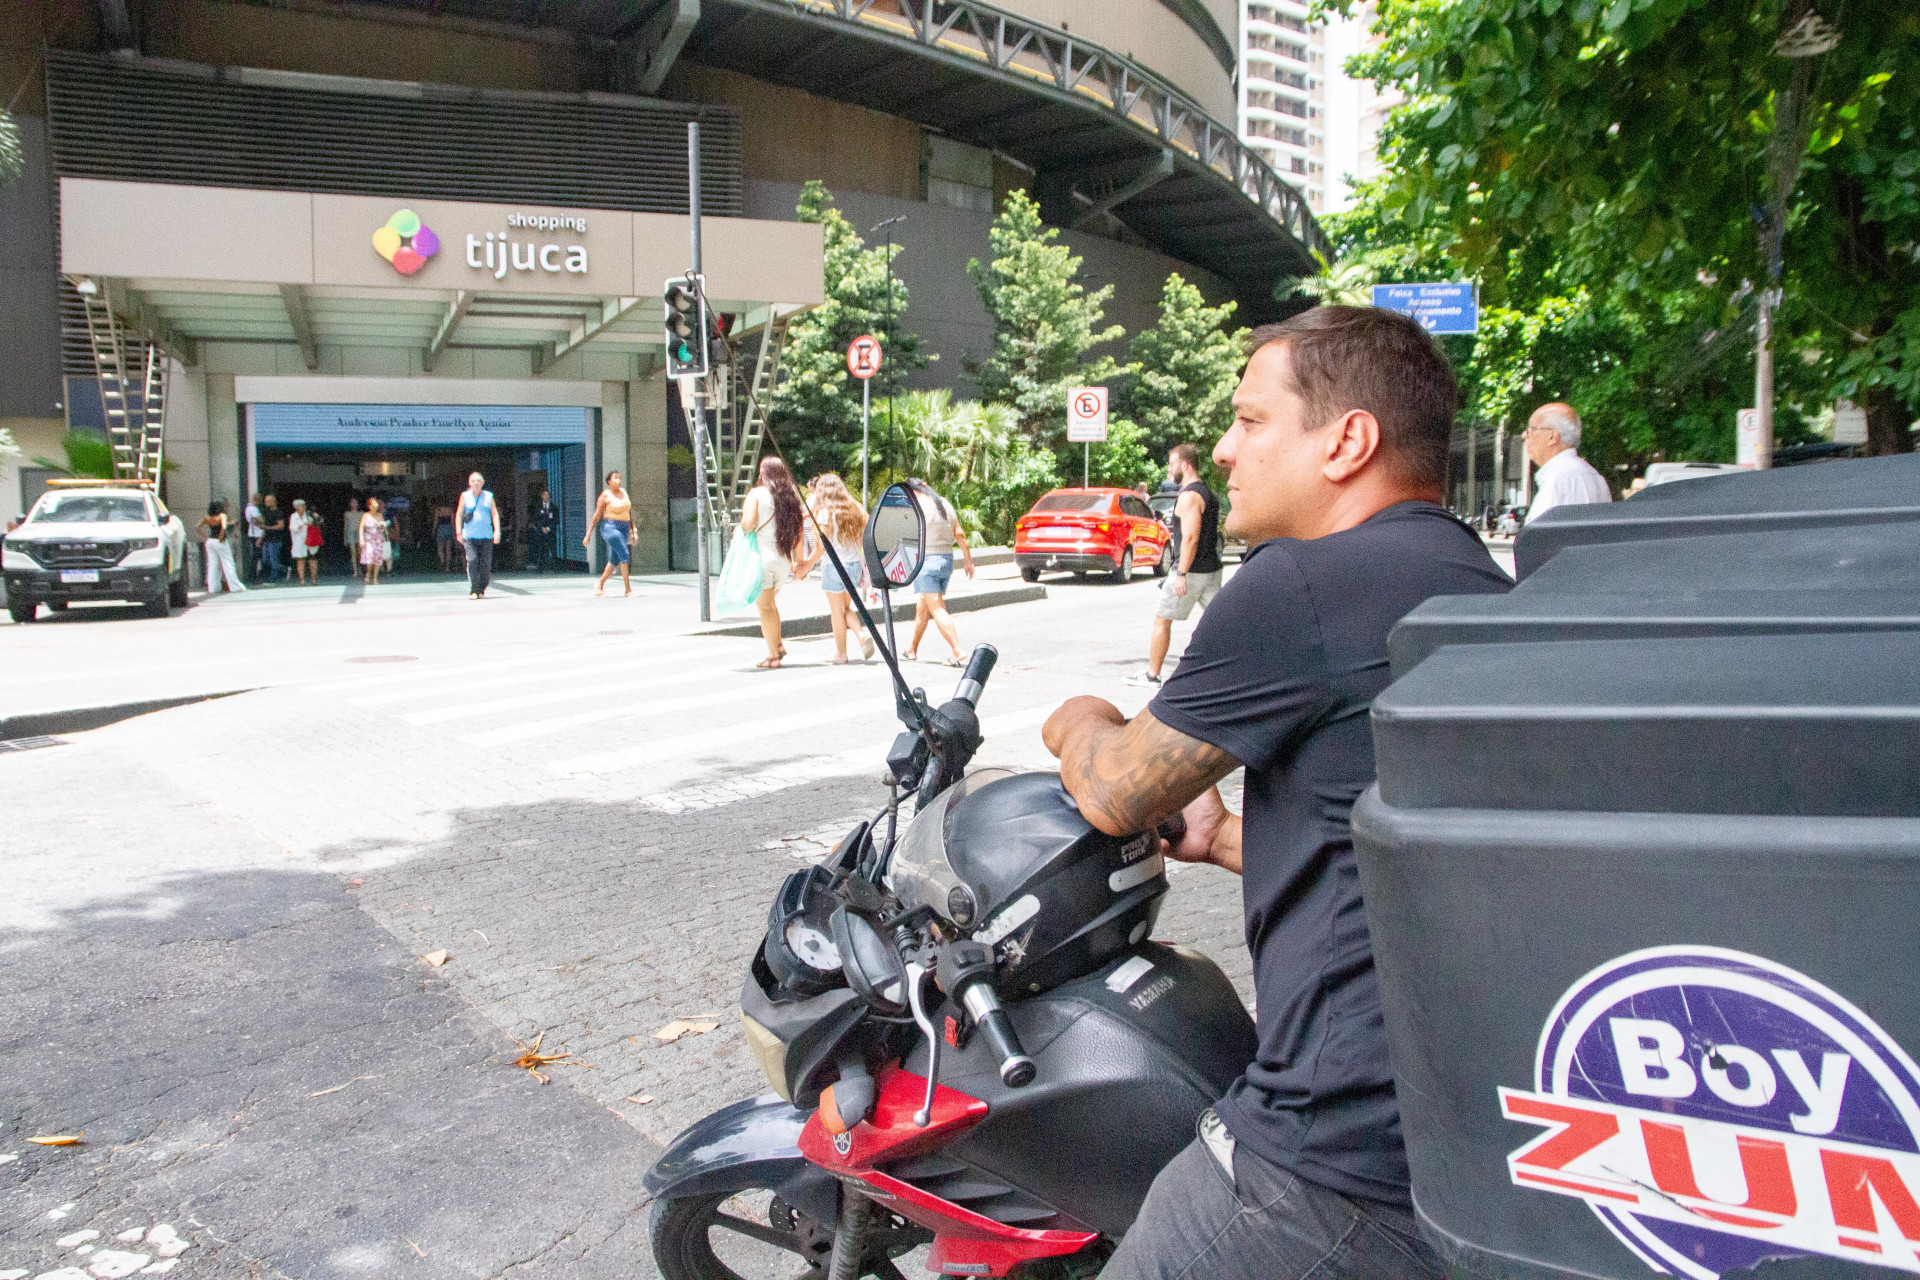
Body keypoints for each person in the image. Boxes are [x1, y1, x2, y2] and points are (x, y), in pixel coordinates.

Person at [1040, 306, 1512, 1280]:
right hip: (1443, 1141)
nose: (1222, 448)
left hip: (1320, 1167)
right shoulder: (1466, 573)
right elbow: (1402, 848)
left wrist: (1078, 717)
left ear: (1348, 438)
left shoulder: (1300, 583)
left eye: (1251, 420)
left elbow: (1118, 790)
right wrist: (1222, 838)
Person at [1125, 443, 1222, 687]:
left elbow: (1191, 537)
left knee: (1162, 619)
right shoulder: (1208, 493)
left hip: (1191, 572)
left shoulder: (1189, 496)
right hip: (1212, 569)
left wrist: (1181, 573)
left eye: (1172, 465)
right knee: (1220, 622)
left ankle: (1152, 675)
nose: (1169, 471)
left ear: (1185, 465)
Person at [800, 473, 876, 665]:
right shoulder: (855, 508)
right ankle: (861, 636)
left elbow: (823, 545)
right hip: (854, 565)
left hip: (834, 566)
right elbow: (868, 532)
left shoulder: (826, 512)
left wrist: (807, 565)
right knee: (845, 608)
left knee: (836, 610)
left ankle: (841, 653)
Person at [738, 456, 804, 669]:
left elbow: (748, 524)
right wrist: (799, 561)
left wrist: (740, 528)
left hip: (762, 559)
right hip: (783, 561)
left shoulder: (756, 494)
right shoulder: (790, 498)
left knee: (765, 608)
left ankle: (772, 656)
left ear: (762, 473)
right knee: (770, 604)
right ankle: (778, 645)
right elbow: (799, 532)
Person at [901, 478, 974, 666]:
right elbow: (960, 534)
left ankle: (957, 650)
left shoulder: (918, 507)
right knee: (923, 606)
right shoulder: (945, 504)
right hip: (946, 561)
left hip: (927, 562)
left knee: (937, 608)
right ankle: (912, 649)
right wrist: (968, 561)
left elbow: (908, 537)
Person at [1524, 401, 1612, 522]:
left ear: (1552, 437)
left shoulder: (1559, 479)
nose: (1525, 435)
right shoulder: (1593, 475)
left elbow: (1543, 536)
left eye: (1531, 429)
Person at [586, 471, 637, 597]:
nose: (618, 481)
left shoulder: (624, 492)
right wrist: (588, 534)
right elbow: (597, 516)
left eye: (620, 478)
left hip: (624, 527)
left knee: (614, 559)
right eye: (615, 478)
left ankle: (599, 585)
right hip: (611, 528)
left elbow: (628, 512)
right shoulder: (605, 496)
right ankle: (628, 590)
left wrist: (634, 529)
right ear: (609, 481)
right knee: (624, 554)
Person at [457, 471, 501, 599]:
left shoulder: (488, 496)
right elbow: (459, 514)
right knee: (472, 560)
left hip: (486, 536)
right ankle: (474, 590)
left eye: (478, 481)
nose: (476, 483)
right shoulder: (465, 496)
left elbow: (494, 514)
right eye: (473, 481)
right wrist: (459, 531)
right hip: (470, 535)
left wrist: (497, 531)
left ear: (482, 483)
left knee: (486, 564)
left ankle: (482, 588)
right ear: (469, 483)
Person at [197, 501, 246, 595]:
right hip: (220, 541)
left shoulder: (207, 518)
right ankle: (235, 586)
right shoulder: (222, 516)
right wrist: (220, 537)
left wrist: (205, 537)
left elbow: (197, 527)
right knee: (228, 563)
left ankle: (213, 587)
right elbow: (223, 527)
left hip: (210, 541)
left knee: (212, 564)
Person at [288, 498, 318, 585]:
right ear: (296, 507)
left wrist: (314, 520)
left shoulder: (308, 515)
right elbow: (292, 528)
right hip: (299, 541)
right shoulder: (293, 516)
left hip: (311, 540)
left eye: (304, 505)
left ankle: (313, 579)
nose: (303, 507)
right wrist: (301, 525)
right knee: (300, 560)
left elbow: (316, 524)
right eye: (301, 506)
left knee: (312, 559)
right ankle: (302, 580)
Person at [359, 498, 387, 586]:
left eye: (376, 505)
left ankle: (375, 577)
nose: (376, 506)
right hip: (369, 539)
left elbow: (384, 528)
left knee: (377, 558)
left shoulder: (380, 515)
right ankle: (368, 573)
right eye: (374, 505)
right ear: (370, 506)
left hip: (378, 539)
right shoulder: (365, 515)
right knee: (369, 557)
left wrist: (383, 526)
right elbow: (361, 528)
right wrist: (361, 539)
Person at [529, 489, 559, 572]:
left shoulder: (554, 507)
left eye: (548, 495)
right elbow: (535, 519)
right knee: (540, 549)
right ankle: (540, 568)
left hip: (550, 532)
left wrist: (548, 528)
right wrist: (541, 528)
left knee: (553, 549)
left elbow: (556, 520)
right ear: (542, 496)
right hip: (541, 532)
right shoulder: (538, 507)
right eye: (545, 495)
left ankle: (555, 568)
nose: (546, 497)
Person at [260, 495, 286, 583]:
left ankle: (272, 579)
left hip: (275, 539)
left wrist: (268, 528)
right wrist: (260, 538)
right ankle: (283, 568)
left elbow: (281, 526)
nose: (265, 503)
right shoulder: (266, 512)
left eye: (267, 501)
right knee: (265, 559)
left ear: (272, 502)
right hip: (266, 539)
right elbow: (264, 526)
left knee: (273, 559)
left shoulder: (278, 513)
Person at [244, 493, 265, 582]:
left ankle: (253, 575)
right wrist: (262, 520)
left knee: (256, 556)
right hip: (256, 534)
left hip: (254, 533)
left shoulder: (249, 508)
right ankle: (253, 576)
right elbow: (260, 520)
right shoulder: (252, 509)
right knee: (256, 556)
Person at [434, 499, 458, 572]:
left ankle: (442, 561)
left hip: (441, 529)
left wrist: (434, 529)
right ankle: (447, 566)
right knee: (448, 549)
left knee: (440, 548)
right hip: (449, 528)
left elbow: (436, 521)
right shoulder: (450, 510)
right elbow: (452, 522)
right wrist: (454, 531)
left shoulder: (438, 510)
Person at [343, 496, 362, 574]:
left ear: (357, 504)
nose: (353, 504)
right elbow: (346, 525)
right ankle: (355, 570)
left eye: (355, 502)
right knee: (353, 552)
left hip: (359, 533)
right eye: (352, 502)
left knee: (359, 553)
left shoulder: (361, 513)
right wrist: (345, 538)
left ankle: (359, 567)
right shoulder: (347, 514)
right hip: (350, 533)